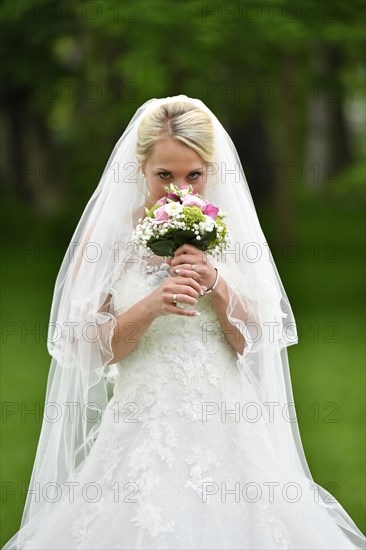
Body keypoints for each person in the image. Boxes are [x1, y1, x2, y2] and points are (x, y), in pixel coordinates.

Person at [3, 95, 365, 550]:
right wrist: (151, 304)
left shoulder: (232, 237)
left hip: (228, 426)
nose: (180, 190)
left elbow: (255, 340)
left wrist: (216, 284)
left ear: (212, 169)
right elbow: (89, 349)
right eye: (164, 176)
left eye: (193, 174)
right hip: (141, 424)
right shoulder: (110, 240)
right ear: (141, 169)